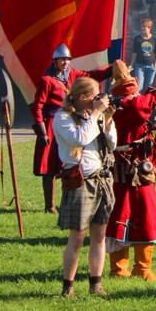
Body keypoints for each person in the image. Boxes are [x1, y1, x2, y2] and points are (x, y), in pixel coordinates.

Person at [106, 61, 156, 282]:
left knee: (146, 217)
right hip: (125, 169)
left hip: (138, 169)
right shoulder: (124, 106)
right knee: (120, 216)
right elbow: (138, 108)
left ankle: (142, 268)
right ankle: (120, 269)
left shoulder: (123, 103)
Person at [54, 76, 117, 297]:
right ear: (82, 97)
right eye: (93, 95)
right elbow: (79, 139)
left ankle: (95, 283)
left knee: (99, 235)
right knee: (77, 237)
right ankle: (67, 286)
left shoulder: (96, 116)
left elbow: (112, 144)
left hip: (102, 179)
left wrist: (107, 121)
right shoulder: (63, 117)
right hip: (80, 181)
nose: (97, 99)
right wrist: (98, 114)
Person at [32, 45, 112, 214]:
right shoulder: (47, 80)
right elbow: (37, 106)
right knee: (50, 166)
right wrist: (42, 130)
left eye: (68, 59)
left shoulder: (73, 75)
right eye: (62, 59)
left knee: (67, 163)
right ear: (55, 61)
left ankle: (66, 201)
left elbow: (91, 77)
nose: (65, 62)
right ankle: (49, 205)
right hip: (52, 124)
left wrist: (110, 70)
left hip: (70, 120)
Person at [130, 18, 156, 92]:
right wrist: (131, 64)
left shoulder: (154, 39)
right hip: (139, 66)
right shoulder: (137, 39)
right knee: (139, 88)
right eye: (141, 27)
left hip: (151, 67)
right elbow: (134, 53)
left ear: (149, 28)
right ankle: (137, 102)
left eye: (144, 27)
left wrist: (155, 65)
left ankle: (144, 103)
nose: (142, 28)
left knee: (147, 88)